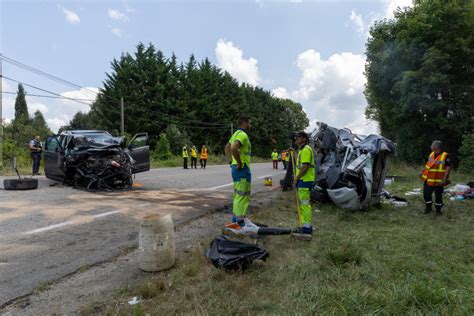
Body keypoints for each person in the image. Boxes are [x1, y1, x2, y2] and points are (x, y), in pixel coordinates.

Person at [224, 117, 253, 231]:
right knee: (243, 197)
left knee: (238, 196)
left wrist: (231, 162)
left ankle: (235, 222)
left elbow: (226, 148)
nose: (251, 125)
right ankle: (240, 225)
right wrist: (240, 163)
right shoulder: (243, 135)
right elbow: (233, 148)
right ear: (245, 123)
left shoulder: (235, 133)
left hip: (235, 169)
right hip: (242, 169)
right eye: (250, 123)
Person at [292, 132, 315, 239]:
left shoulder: (306, 149)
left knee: (304, 204)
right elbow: (300, 163)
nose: (296, 138)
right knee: (303, 204)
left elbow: (304, 167)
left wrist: (296, 179)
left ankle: (306, 228)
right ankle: (305, 225)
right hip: (305, 180)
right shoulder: (303, 150)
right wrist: (293, 152)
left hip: (304, 180)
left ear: (304, 139)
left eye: (298, 137)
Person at [420, 140, 451, 215]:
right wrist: (422, 171)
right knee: (426, 194)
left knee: (438, 196)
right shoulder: (431, 154)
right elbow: (428, 164)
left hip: (439, 180)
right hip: (428, 179)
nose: (431, 146)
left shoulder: (445, 155)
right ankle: (428, 207)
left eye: (432, 145)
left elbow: (448, 167)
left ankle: (438, 211)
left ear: (436, 147)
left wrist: (445, 178)